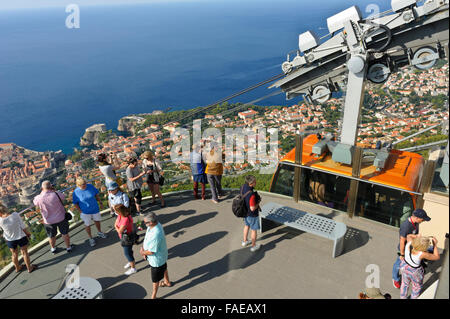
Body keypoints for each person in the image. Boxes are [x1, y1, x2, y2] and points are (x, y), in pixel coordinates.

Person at [392, 208, 431, 289]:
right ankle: (395, 279)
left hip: (412, 247)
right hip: (404, 249)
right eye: (422, 219)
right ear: (416, 218)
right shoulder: (406, 226)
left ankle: (409, 273)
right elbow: (402, 241)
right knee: (398, 264)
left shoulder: (416, 222)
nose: (423, 221)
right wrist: (402, 254)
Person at [33, 180, 73, 253]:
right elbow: (63, 197)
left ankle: (53, 248)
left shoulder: (39, 198)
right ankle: (68, 247)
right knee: (64, 233)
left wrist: (42, 193)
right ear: (51, 186)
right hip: (61, 218)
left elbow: (35, 203)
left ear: (42, 188)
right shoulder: (56, 194)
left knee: (51, 236)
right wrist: (54, 191)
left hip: (48, 221)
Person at [140, 212, 171, 299]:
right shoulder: (155, 225)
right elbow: (147, 238)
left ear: (151, 222)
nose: (144, 224)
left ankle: (153, 296)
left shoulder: (156, 234)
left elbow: (151, 252)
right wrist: (143, 247)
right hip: (162, 257)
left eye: (145, 222)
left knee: (155, 280)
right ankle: (167, 282)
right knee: (164, 267)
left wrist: (143, 252)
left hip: (156, 261)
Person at [0, 203, 37, 273]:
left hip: (10, 239)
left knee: (14, 254)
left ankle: (17, 268)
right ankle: (29, 268)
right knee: (24, 252)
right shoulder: (15, 214)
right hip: (20, 237)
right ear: (5, 208)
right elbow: (23, 226)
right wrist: (28, 234)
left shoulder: (0, 220)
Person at [400, 234, 440, 299]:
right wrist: (435, 245)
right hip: (414, 272)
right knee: (416, 287)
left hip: (404, 266)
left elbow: (408, 236)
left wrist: (417, 237)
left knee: (404, 283)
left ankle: (402, 297)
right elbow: (437, 257)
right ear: (423, 248)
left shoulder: (409, 243)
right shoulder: (422, 254)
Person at [72, 176, 107, 247]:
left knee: (97, 221)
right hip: (85, 211)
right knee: (87, 225)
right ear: (78, 185)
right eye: (83, 184)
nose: (85, 185)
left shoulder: (90, 186)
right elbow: (75, 203)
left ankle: (99, 232)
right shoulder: (76, 192)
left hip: (95, 208)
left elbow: (96, 195)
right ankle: (90, 238)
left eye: (85, 183)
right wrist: (80, 211)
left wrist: (100, 203)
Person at [114, 204, 137, 276]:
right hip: (124, 237)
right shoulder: (121, 215)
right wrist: (117, 227)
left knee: (127, 253)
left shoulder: (125, 219)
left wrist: (116, 227)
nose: (115, 212)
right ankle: (130, 262)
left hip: (127, 238)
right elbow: (116, 224)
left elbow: (119, 231)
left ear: (119, 211)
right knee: (129, 251)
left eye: (116, 211)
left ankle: (133, 268)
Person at [241, 175, 262, 252]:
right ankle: (253, 246)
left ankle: (245, 241)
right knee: (253, 230)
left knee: (246, 226)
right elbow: (252, 208)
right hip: (252, 214)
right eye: (255, 182)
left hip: (245, 212)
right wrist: (258, 202)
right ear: (251, 183)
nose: (256, 183)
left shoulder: (243, 187)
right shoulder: (252, 194)